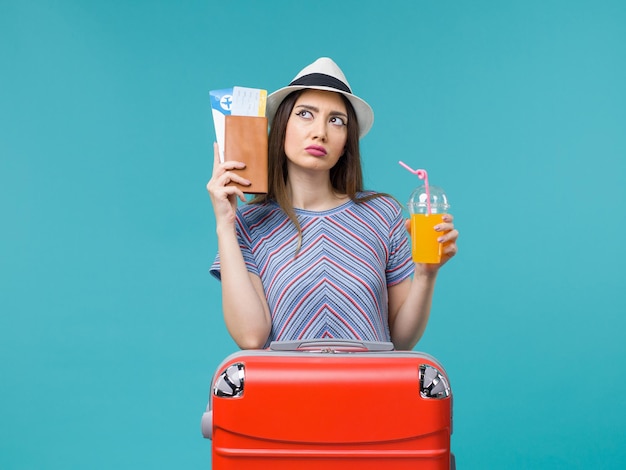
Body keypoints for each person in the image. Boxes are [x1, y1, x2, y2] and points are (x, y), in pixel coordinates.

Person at [207, 57, 458, 350]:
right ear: (280, 128)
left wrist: (426, 275)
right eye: (305, 114)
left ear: (346, 143)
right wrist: (225, 225)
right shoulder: (249, 224)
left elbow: (400, 342)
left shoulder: (383, 214)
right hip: (285, 393)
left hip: (370, 392)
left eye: (336, 120)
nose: (320, 132)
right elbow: (251, 337)